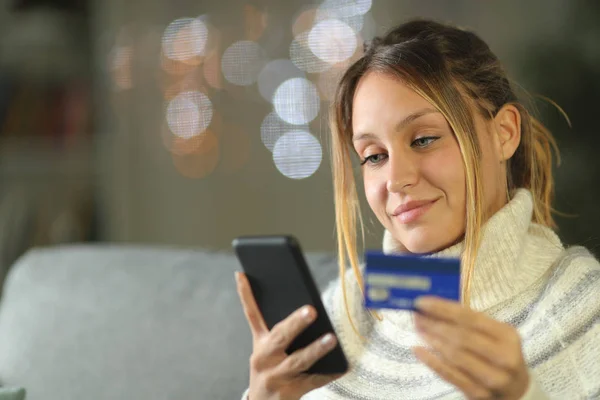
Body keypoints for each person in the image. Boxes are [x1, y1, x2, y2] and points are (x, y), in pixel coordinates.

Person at [235, 18, 600, 400]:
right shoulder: (346, 305)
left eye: (424, 139)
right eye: (374, 156)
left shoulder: (580, 305)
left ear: (504, 133)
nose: (396, 178)